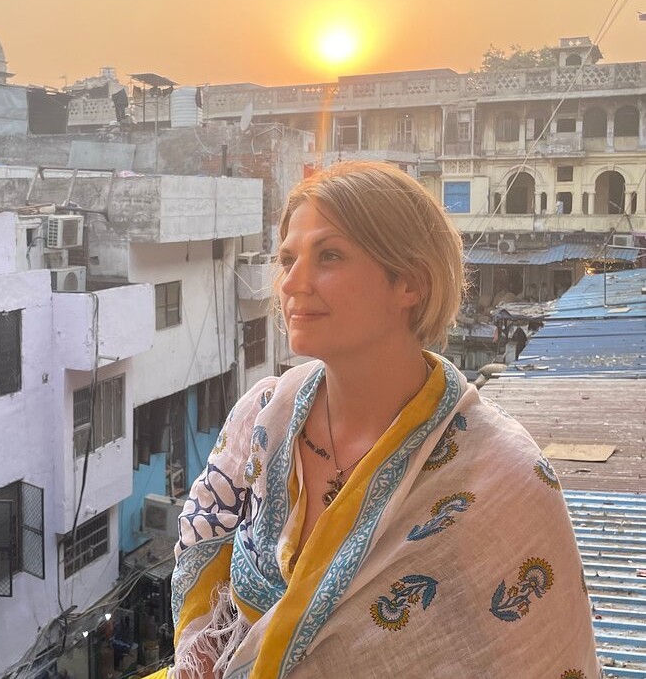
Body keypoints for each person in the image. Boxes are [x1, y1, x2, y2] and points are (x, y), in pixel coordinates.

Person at [169, 162, 598, 678]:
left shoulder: (501, 477)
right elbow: (203, 532)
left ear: (409, 283)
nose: (293, 283)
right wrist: (197, 653)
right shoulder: (264, 415)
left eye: (328, 256)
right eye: (287, 259)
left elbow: (540, 656)